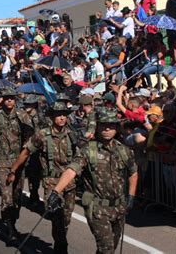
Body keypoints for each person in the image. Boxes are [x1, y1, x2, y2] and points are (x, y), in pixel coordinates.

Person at [46, 108, 138, 254]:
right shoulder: (89, 150)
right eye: (103, 125)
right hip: (97, 208)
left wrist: (131, 197)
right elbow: (72, 170)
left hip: (119, 207)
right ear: (97, 126)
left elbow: (133, 173)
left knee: (110, 247)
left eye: (111, 125)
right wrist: (56, 191)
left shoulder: (124, 150)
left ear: (116, 127)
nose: (107, 128)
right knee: (106, 248)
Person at [8, 102, 77, 253]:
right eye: (58, 115)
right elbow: (26, 151)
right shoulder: (42, 135)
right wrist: (14, 169)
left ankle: (60, 241)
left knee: (66, 219)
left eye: (64, 115)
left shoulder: (72, 134)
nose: (61, 118)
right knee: (56, 217)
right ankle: (61, 247)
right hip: (51, 182)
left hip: (70, 182)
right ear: (51, 117)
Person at [0, 88, 34, 239]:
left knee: (16, 198)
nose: (9, 100)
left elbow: (31, 137)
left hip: (18, 162)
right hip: (2, 163)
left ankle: (12, 222)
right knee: (7, 196)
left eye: (12, 98)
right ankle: (10, 228)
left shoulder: (22, 115)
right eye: (6, 98)